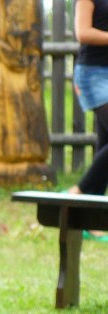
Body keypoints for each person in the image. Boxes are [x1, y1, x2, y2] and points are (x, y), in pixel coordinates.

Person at [70, 0, 108, 239]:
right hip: (93, 75)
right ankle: (77, 193)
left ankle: (90, 219)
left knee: (105, 146)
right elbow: (82, 33)